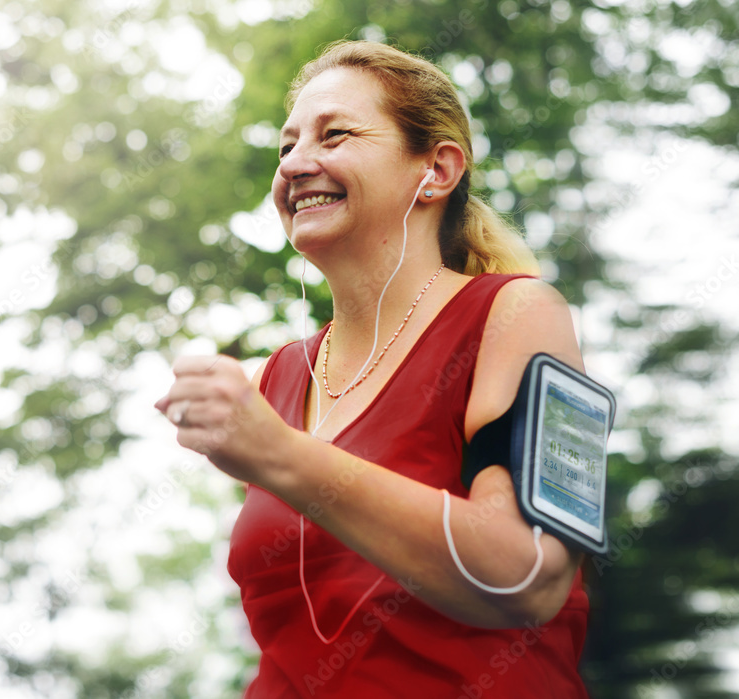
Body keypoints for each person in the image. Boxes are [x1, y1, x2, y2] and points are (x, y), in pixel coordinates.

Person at [155, 40, 591, 698]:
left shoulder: (518, 314)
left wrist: (281, 455)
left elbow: (529, 577)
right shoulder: (272, 381)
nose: (297, 163)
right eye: (286, 147)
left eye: (335, 135)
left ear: (437, 170)